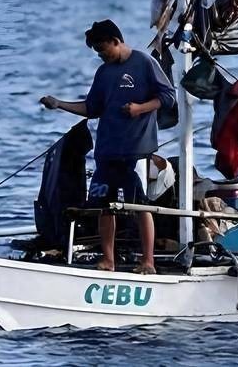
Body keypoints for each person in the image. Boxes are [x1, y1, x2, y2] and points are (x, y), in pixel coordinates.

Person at [41, 19, 176, 274]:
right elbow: (92, 108)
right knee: (103, 205)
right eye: (97, 51)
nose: (100, 55)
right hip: (106, 151)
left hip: (137, 150)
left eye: (102, 49)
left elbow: (168, 96)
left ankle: (148, 261)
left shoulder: (144, 62)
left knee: (140, 205)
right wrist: (59, 104)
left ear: (116, 41)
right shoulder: (103, 73)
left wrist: (140, 108)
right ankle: (108, 259)